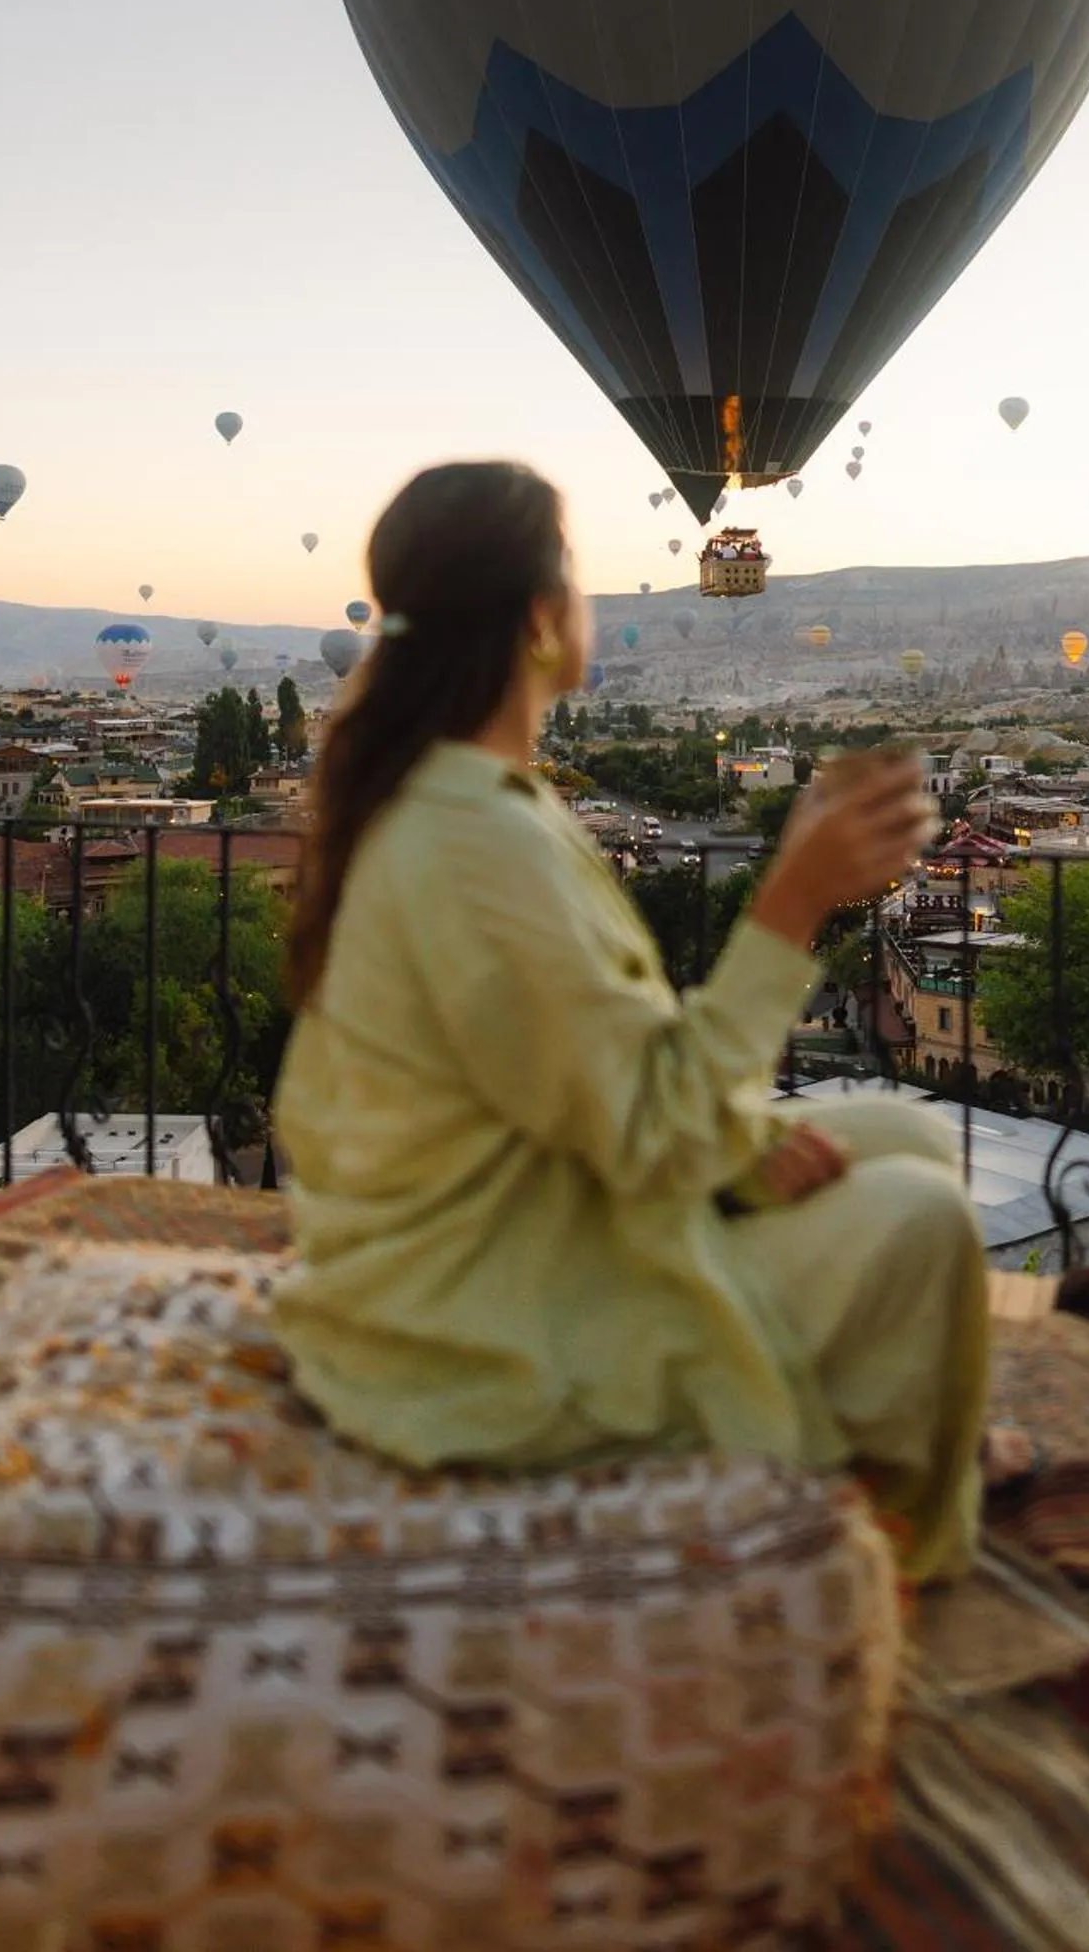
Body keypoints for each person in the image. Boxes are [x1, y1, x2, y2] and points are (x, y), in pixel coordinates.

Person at [273, 461, 994, 1581]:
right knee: (917, 1222)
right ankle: (884, 1551)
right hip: (477, 1316)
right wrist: (792, 898)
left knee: (901, 1140)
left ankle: (865, 1453)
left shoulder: (469, 802)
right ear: (536, 619)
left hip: (518, 1219)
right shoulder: (474, 838)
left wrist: (735, 1149)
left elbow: (585, 1072)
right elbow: (651, 1118)